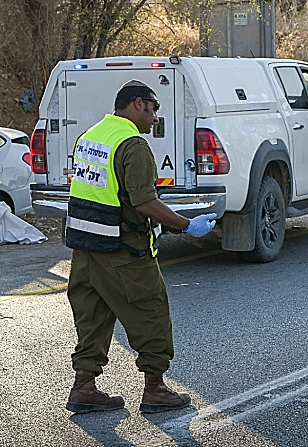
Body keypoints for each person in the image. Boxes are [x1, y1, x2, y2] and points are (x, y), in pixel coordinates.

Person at [64, 80, 217, 414]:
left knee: (93, 317)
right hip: (124, 252)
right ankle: (155, 389)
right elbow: (144, 202)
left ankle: (84, 387)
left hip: (86, 250)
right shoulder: (132, 145)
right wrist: (186, 224)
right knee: (151, 312)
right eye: (154, 107)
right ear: (137, 104)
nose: (155, 116)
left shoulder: (90, 137)